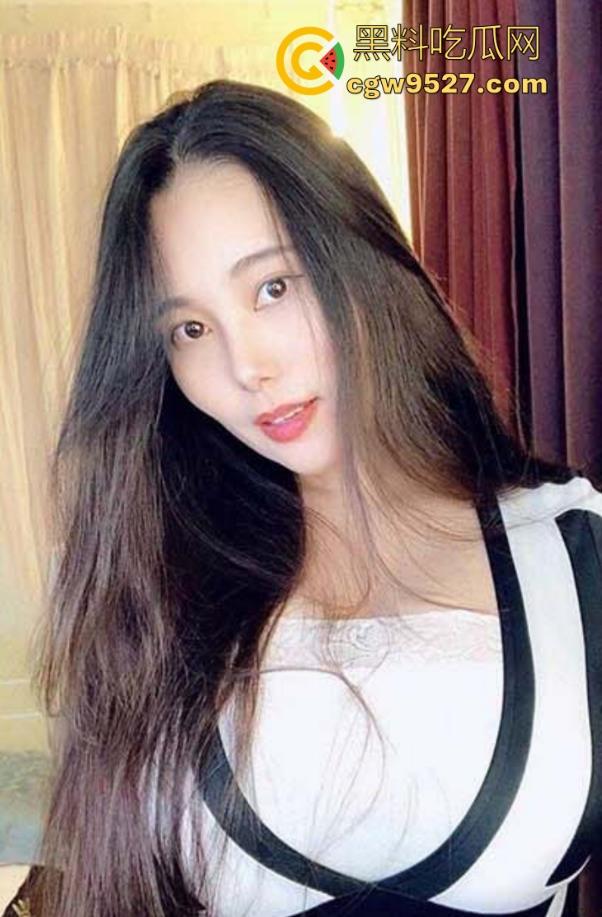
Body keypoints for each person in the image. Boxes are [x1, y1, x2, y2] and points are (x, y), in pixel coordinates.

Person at [5, 78, 601, 917]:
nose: (247, 366)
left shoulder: (570, 554)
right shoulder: (150, 590)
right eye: (190, 329)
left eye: (273, 287)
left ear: (361, 258)